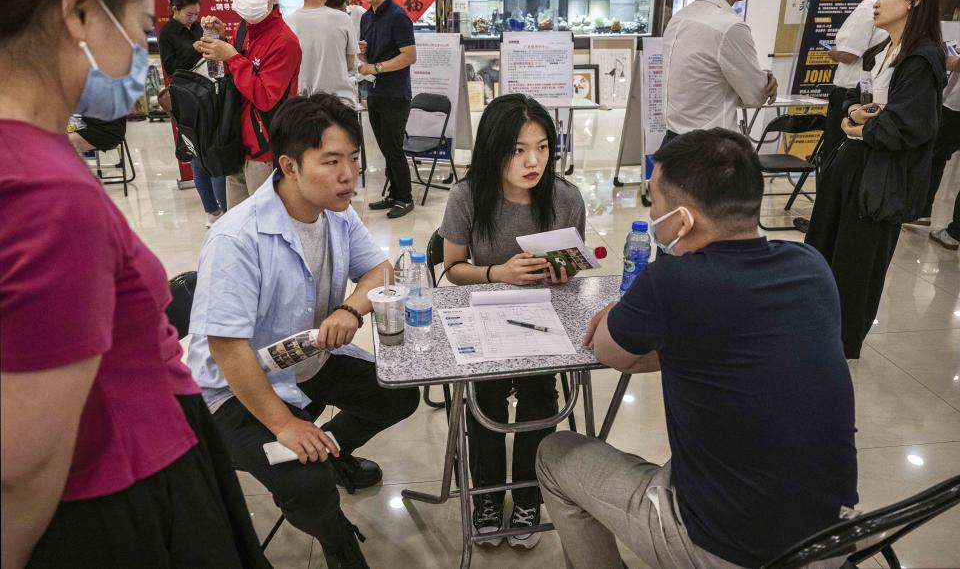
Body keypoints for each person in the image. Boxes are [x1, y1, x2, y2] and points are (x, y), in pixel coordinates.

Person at [0, 0, 268, 567]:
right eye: (139, 30)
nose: (142, 54)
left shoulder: (32, 157)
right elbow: (24, 458)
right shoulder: (43, 190)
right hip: (116, 494)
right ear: (80, 13)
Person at [536, 128, 858, 569]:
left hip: (729, 550)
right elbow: (738, 349)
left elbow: (611, 352)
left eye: (654, 201)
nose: (651, 213)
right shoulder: (811, 267)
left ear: (683, 220)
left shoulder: (673, 282)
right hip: (831, 540)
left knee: (556, 455)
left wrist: (620, 306)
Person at [185, 93, 420, 568]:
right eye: (331, 161)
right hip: (233, 388)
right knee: (304, 481)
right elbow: (229, 352)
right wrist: (286, 425)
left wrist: (351, 311)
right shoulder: (237, 237)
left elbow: (378, 271)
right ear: (290, 166)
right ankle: (337, 540)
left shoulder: (337, 210)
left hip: (303, 359)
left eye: (353, 158)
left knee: (398, 392)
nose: (348, 175)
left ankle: (331, 449)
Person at [439, 94, 586, 550]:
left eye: (542, 147)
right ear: (493, 150)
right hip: (485, 320)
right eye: (519, 149)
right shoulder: (467, 196)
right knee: (485, 402)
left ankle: (528, 496)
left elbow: (574, 263)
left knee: (542, 399)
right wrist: (497, 273)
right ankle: (485, 497)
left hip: (543, 319)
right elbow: (452, 269)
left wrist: (565, 270)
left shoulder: (564, 197)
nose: (533, 161)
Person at [805, 0, 947, 359]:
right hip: (850, 165)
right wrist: (852, 116)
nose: (877, 1)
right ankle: (814, 330)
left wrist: (860, 130)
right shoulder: (881, 51)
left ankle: (840, 344)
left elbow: (911, 125)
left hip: (878, 178)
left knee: (856, 264)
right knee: (823, 250)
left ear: (914, 0)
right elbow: (867, 105)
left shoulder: (923, 57)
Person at [197, 0, 301, 208]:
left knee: (267, 227)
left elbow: (267, 96)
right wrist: (220, 39)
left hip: (266, 150)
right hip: (237, 143)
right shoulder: (245, 29)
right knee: (239, 225)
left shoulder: (284, 41)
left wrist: (231, 56)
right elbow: (233, 77)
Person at [661, 0, 776, 142]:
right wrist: (765, 80)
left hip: (673, 142)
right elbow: (756, 95)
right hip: (709, 150)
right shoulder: (729, 27)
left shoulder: (680, 18)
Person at [158, 0, 227, 226]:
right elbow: (171, 68)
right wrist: (193, 49)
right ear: (175, 10)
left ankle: (224, 210)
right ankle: (213, 211)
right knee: (197, 153)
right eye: (189, 15)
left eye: (196, 14)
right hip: (186, 97)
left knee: (213, 151)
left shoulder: (198, 28)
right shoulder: (167, 33)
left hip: (208, 91)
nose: (193, 19)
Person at [358, 0, 418, 219]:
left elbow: (409, 56)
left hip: (396, 94)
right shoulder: (365, 17)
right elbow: (369, 59)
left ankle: (405, 198)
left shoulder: (398, 16)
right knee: (385, 148)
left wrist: (376, 67)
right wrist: (364, 55)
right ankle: (394, 193)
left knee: (393, 148)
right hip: (375, 94)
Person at [822, 0, 895, 165]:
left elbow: (849, 53)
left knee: (837, 153)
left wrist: (835, 52)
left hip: (852, 89)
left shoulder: (868, 7)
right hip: (872, 91)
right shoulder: (897, 11)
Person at [286, 0, 359, 107]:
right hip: (339, 103)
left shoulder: (287, 22)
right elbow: (350, 64)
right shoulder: (342, 19)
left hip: (302, 104)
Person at [907, 50, 960, 241]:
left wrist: (950, 62)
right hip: (954, 105)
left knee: (934, 155)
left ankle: (921, 211)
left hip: (956, 108)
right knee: (935, 155)